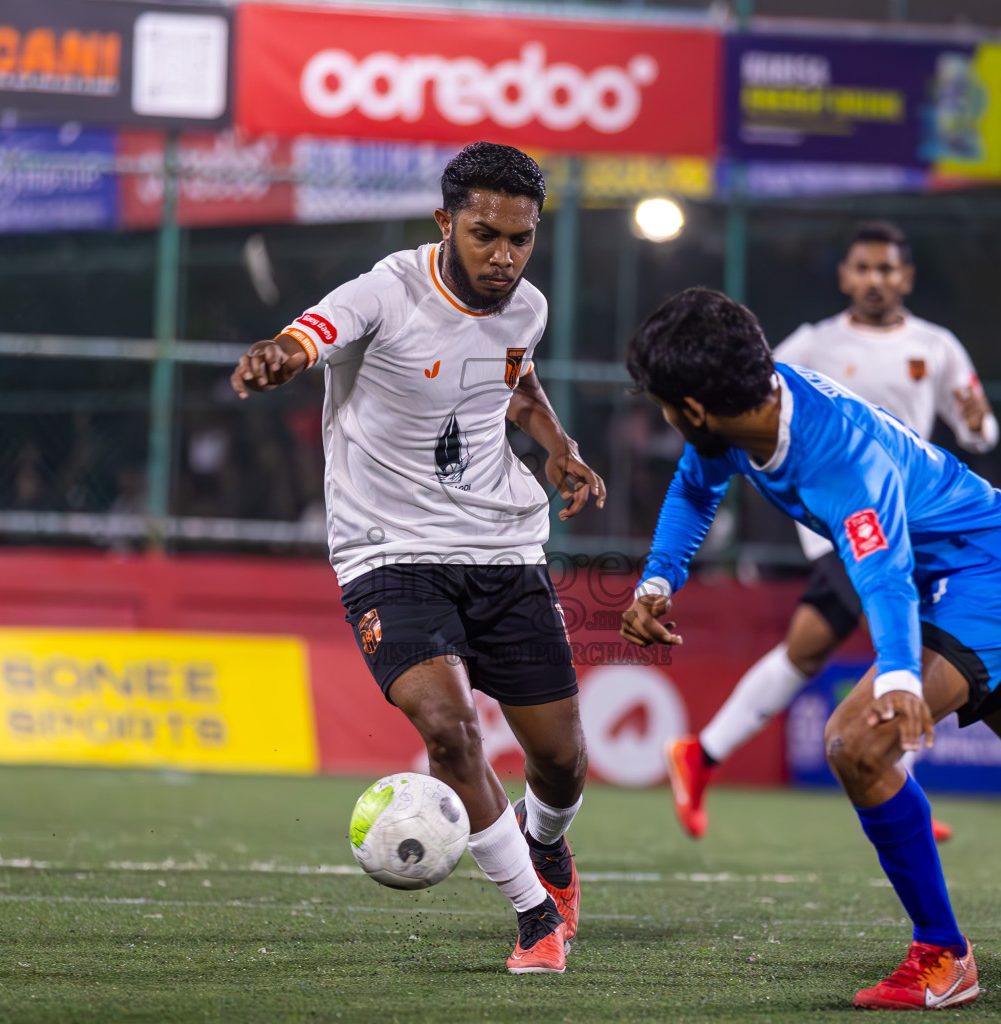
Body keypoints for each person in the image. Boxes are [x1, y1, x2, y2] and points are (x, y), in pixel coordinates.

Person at [622, 287, 1001, 1009]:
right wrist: (658, 581)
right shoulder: (748, 411)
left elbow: (881, 571)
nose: (666, 419)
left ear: (694, 408)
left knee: (856, 744)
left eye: (666, 406)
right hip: (976, 572)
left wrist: (897, 676)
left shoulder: (839, 456)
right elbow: (695, 488)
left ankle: (942, 957)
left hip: (988, 579)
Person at [232, 142, 605, 974]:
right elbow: (311, 336)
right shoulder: (385, 290)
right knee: (448, 729)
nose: (503, 256)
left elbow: (515, 379)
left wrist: (558, 446)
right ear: (444, 223)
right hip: (387, 551)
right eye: (484, 235)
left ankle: (547, 849)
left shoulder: (526, 308)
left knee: (562, 759)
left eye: (520, 238)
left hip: (503, 546)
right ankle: (535, 918)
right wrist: (279, 357)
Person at [664, 220, 998, 842]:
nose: (875, 280)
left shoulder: (938, 344)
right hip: (841, 524)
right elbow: (753, 394)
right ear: (845, 276)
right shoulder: (813, 344)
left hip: (909, 517)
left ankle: (700, 754)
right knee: (906, 642)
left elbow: (979, 430)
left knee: (807, 650)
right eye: (863, 268)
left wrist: (980, 426)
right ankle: (903, 791)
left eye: (887, 269)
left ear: (907, 277)